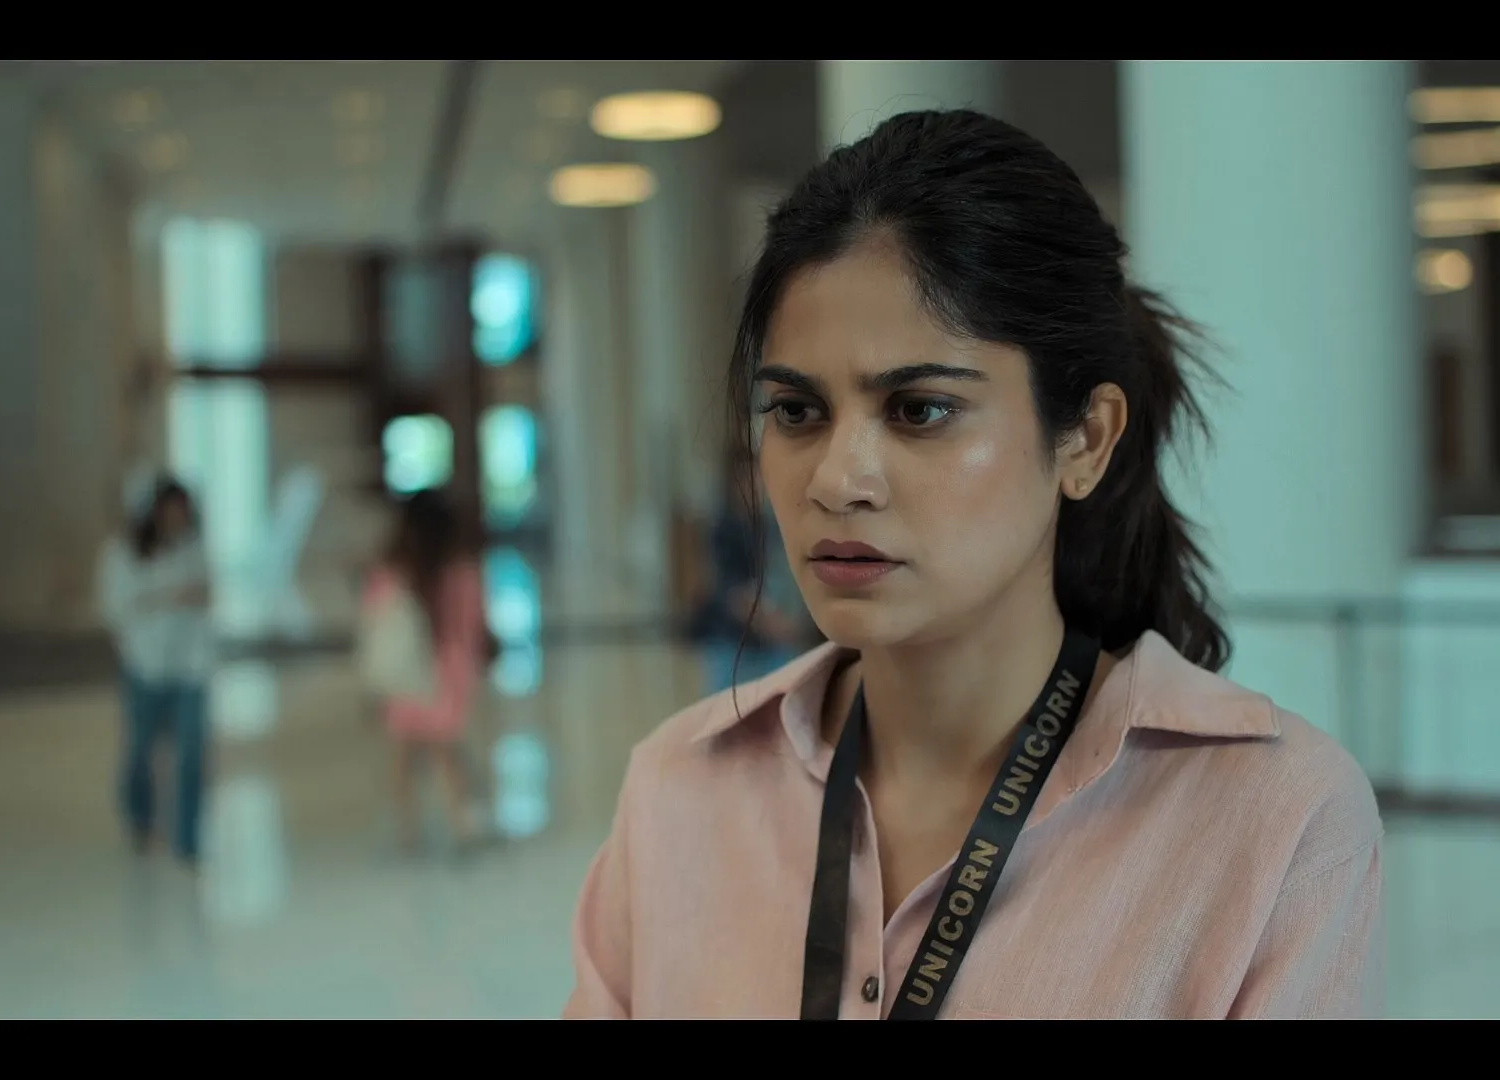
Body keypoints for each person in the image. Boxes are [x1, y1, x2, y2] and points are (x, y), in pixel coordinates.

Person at [563, 110, 1383, 1020]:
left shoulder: (1275, 823)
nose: (836, 480)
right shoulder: (678, 791)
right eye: (797, 412)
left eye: (919, 410)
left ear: (1086, 439)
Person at [360, 490, 491, 851]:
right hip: (450, 673)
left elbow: (375, 620)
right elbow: (476, 625)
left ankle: (408, 828)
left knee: (405, 752)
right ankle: (462, 822)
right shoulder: (463, 573)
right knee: (446, 749)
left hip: (406, 673)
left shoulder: (392, 573)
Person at [98, 473, 214, 870]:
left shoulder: (193, 547)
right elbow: (115, 608)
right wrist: (167, 597)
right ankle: (140, 818)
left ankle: (188, 838)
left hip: (191, 666)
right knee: (141, 752)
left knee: (192, 755)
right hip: (145, 665)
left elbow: (207, 593)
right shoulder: (123, 553)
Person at [690, 448, 817, 694]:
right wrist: (770, 622)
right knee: (728, 704)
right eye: (746, 478)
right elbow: (728, 588)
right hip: (733, 640)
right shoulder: (724, 529)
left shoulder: (774, 526)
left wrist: (791, 623)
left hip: (773, 642)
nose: (753, 485)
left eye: (758, 477)